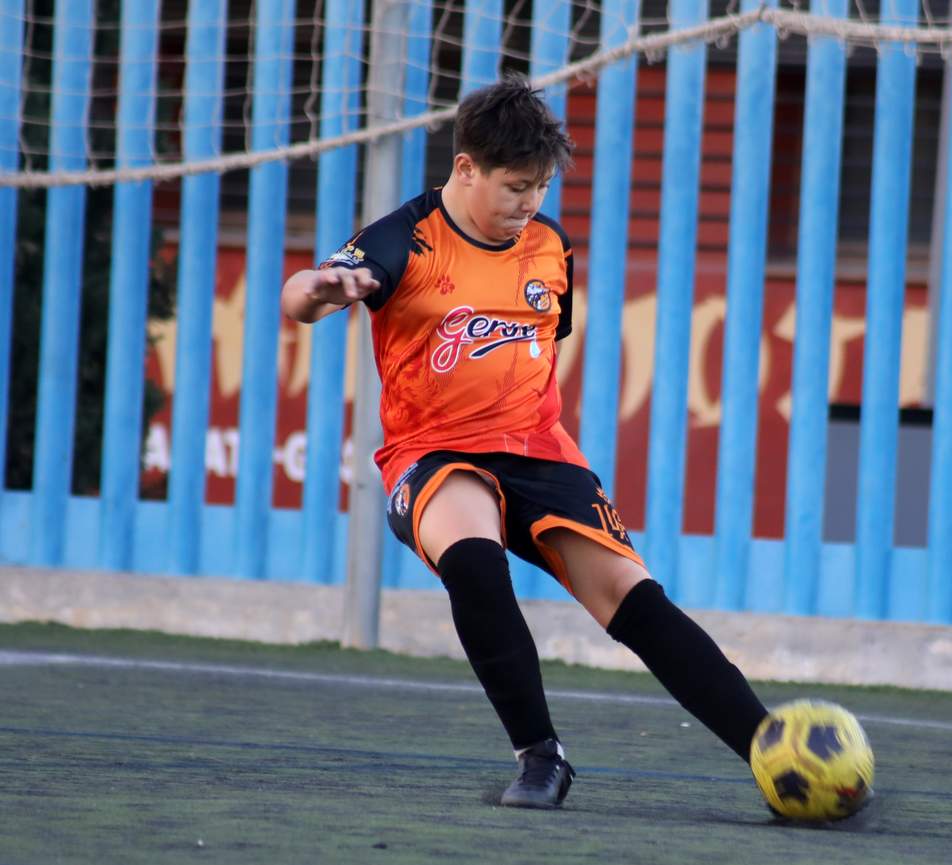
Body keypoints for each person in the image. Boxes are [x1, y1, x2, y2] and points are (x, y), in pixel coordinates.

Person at [281, 74, 769, 810]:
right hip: (434, 450)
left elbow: (542, 343)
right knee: (474, 558)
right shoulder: (402, 240)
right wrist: (321, 289)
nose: (529, 203)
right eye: (515, 186)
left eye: (540, 186)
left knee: (631, 598)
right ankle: (541, 757)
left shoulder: (549, 247)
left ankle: (776, 753)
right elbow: (300, 295)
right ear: (467, 167)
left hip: (540, 448)